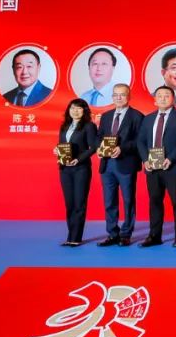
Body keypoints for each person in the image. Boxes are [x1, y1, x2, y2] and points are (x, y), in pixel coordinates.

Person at [136, 85, 176, 247]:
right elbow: (140, 141)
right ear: (155, 100)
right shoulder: (148, 118)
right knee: (155, 201)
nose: (163, 98)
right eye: (159, 95)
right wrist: (145, 160)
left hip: (173, 167)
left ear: (173, 99)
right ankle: (154, 236)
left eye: (167, 95)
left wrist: (171, 158)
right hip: (152, 167)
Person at [96, 83, 142, 247]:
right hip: (107, 165)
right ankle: (112, 233)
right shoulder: (106, 116)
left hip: (126, 164)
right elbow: (99, 137)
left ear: (129, 96)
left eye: (122, 94)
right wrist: (99, 148)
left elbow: (140, 141)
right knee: (109, 201)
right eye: (115, 95)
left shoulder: (137, 116)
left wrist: (122, 148)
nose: (118, 97)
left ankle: (126, 234)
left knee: (128, 200)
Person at [53, 99, 98, 246]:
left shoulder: (89, 126)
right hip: (64, 169)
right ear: (68, 110)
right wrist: (57, 150)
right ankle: (70, 236)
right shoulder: (64, 126)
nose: (75, 111)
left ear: (84, 111)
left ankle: (75, 238)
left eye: (79, 108)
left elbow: (93, 147)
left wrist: (78, 159)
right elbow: (63, 145)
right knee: (70, 204)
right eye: (72, 108)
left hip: (80, 169)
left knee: (79, 203)